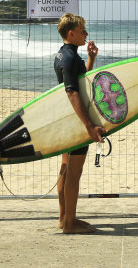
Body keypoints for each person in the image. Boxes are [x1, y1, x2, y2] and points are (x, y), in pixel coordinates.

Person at [54, 13, 106, 234]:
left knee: (65, 169)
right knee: (74, 172)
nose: (86, 33)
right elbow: (73, 92)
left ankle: (64, 217)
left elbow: (79, 81)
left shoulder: (63, 55)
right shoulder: (70, 59)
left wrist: (91, 60)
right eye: (83, 30)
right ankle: (69, 224)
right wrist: (88, 125)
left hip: (67, 119)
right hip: (76, 121)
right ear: (71, 33)